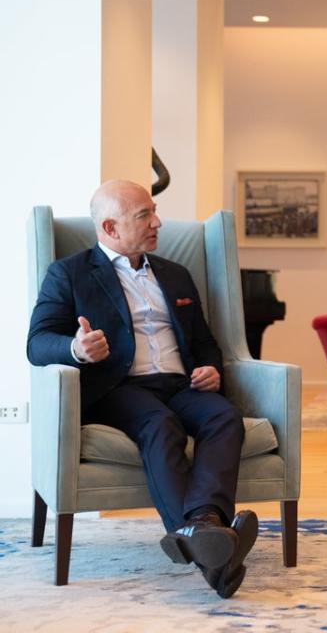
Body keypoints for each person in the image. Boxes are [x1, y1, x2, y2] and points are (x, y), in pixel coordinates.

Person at [27, 179, 258, 599]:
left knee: (224, 415)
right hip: (120, 387)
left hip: (180, 382)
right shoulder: (70, 273)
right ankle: (210, 550)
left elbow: (204, 340)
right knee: (159, 423)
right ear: (111, 229)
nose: (157, 222)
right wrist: (76, 349)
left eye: (154, 211)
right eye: (144, 216)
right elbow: (37, 342)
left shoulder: (175, 274)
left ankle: (203, 524)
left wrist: (210, 367)